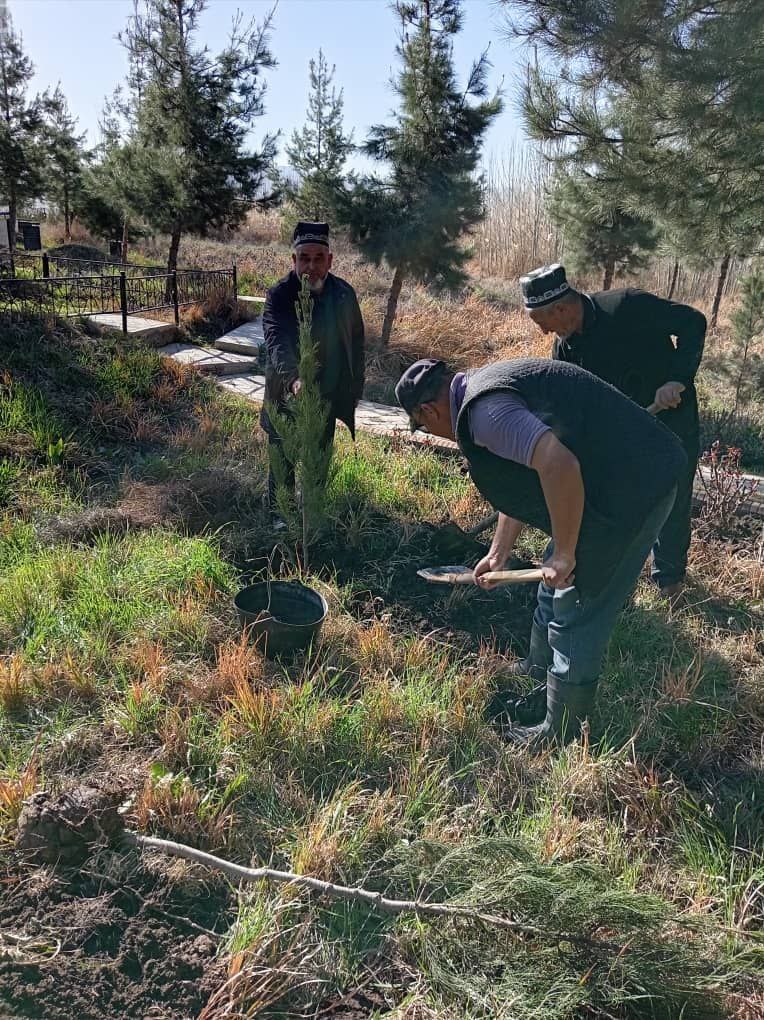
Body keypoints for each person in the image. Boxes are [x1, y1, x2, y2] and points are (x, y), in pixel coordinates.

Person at [395, 356, 686, 747]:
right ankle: (537, 669)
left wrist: (565, 554)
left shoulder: (485, 413)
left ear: (428, 411)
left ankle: (561, 731)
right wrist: (499, 553)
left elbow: (558, 465)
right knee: (552, 586)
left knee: (578, 601)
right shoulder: (482, 396)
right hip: (600, 481)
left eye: (423, 425)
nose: (432, 431)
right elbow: (526, 473)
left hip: (635, 486)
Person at [520, 264, 706, 598]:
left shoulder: (627, 306)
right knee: (621, 500)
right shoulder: (566, 349)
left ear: (560, 308)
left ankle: (670, 581)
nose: (544, 332)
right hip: (623, 436)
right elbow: (570, 405)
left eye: (542, 322)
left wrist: (677, 378)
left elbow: (693, 322)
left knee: (674, 499)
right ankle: (614, 574)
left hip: (670, 420)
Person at [261, 221, 365, 514]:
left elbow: (357, 344)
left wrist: (356, 387)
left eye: (319, 258)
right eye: (304, 258)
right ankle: (280, 520)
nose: (312, 266)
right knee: (282, 466)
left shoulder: (343, 293)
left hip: (327, 397)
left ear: (330, 260)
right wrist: (295, 380)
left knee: (318, 464)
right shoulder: (279, 295)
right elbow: (277, 342)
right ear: (294, 260)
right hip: (287, 395)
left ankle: (312, 517)